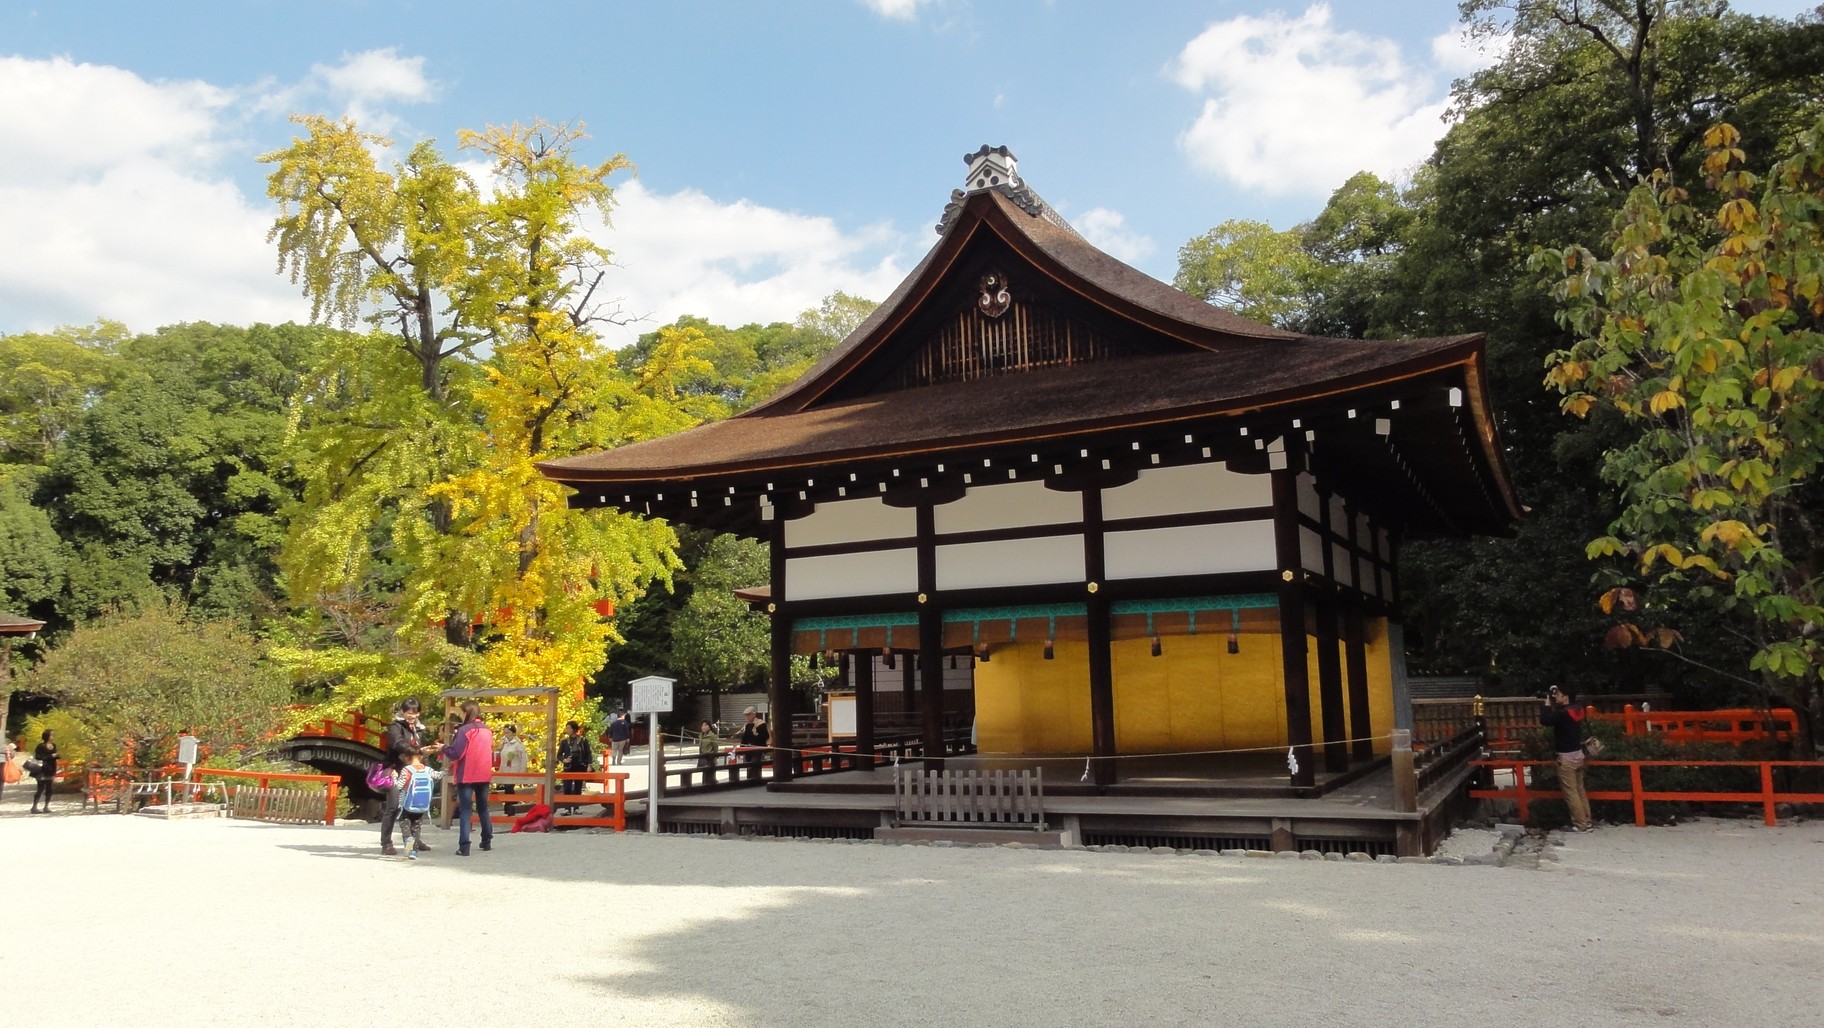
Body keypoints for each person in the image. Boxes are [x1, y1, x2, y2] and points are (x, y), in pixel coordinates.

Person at [380, 699, 436, 856]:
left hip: (415, 772)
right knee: (393, 807)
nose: (412, 716)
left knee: (416, 807)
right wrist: (418, 750)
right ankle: (386, 843)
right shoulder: (395, 727)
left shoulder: (419, 728)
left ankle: (415, 840)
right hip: (396, 770)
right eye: (409, 712)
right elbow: (397, 744)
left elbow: (419, 749)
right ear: (403, 712)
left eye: (415, 712)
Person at [441, 701, 495, 855]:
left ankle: (464, 845)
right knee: (483, 807)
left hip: (467, 773)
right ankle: (486, 840)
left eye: (461, 712)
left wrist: (443, 748)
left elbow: (457, 753)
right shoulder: (487, 730)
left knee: (465, 809)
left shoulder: (464, 730)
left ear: (467, 712)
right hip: (483, 773)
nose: (459, 715)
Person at [1541, 685, 1594, 832]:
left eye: (1558, 694)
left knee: (1571, 793)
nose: (1555, 696)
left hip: (1566, 757)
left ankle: (1580, 824)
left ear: (1566, 696)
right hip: (1578, 754)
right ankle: (1587, 821)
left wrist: (1546, 703)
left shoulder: (1562, 714)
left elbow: (1544, 720)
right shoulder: (1577, 709)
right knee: (1580, 790)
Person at [394, 744, 442, 861]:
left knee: (406, 827)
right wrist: (446, 770)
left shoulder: (406, 770)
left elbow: (398, 786)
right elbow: (438, 775)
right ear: (420, 757)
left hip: (407, 805)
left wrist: (394, 777)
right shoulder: (427, 769)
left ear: (407, 758)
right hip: (421, 805)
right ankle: (414, 852)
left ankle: (409, 845)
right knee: (416, 828)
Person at [496, 723, 528, 815]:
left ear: (513, 733)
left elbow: (523, 759)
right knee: (507, 789)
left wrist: (522, 772)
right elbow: (500, 755)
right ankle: (512, 807)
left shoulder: (518, 744)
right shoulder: (504, 743)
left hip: (514, 769)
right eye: (505, 733)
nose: (506, 735)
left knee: (509, 789)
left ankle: (508, 809)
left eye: (508, 733)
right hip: (505, 769)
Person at [558, 721, 592, 795]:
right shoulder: (564, 742)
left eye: (569, 728)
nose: (567, 730)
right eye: (566, 728)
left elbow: (588, 753)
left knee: (578, 788)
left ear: (574, 729)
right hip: (568, 767)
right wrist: (565, 760)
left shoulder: (583, 740)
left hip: (580, 766)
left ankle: (576, 806)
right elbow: (559, 755)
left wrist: (589, 765)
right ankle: (567, 806)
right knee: (567, 788)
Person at [736, 706, 768, 782]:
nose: (747, 717)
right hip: (748, 749)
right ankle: (749, 779)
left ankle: (756, 779)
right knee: (748, 764)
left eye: (749, 714)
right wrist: (741, 747)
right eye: (746, 715)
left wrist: (757, 734)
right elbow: (744, 738)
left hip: (757, 748)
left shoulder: (761, 724)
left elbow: (766, 736)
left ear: (754, 714)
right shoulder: (747, 725)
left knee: (755, 763)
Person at [29, 728, 57, 814]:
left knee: (49, 789)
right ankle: (34, 807)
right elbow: (38, 757)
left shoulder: (54, 745)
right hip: (42, 769)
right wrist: (51, 756)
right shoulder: (41, 746)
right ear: (47, 736)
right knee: (40, 788)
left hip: (51, 768)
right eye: (51, 734)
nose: (53, 736)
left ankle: (46, 806)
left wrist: (56, 756)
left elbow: (54, 757)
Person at [694, 719, 722, 785]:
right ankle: (704, 785)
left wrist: (715, 755)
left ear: (709, 726)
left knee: (710, 773)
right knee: (704, 772)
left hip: (710, 757)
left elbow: (715, 747)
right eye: (702, 725)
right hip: (702, 756)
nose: (703, 727)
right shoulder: (701, 735)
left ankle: (712, 784)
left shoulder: (712, 736)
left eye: (705, 725)